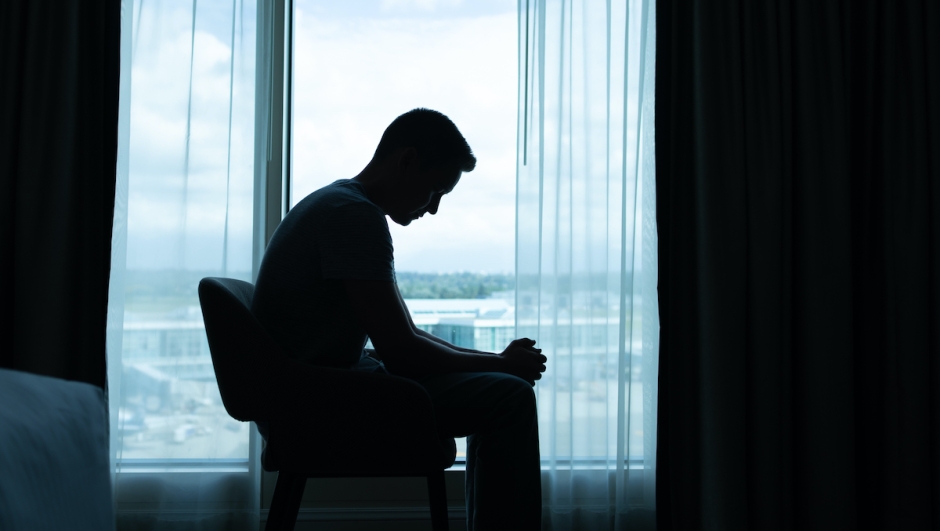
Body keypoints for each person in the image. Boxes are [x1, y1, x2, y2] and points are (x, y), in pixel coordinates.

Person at [251, 108, 546, 529]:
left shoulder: (339, 203)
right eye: (436, 190)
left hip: (313, 391)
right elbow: (404, 353)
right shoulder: (353, 216)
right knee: (510, 398)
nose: (435, 209)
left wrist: (498, 360)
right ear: (408, 161)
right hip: (317, 406)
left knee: (502, 385)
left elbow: (405, 337)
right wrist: (501, 364)